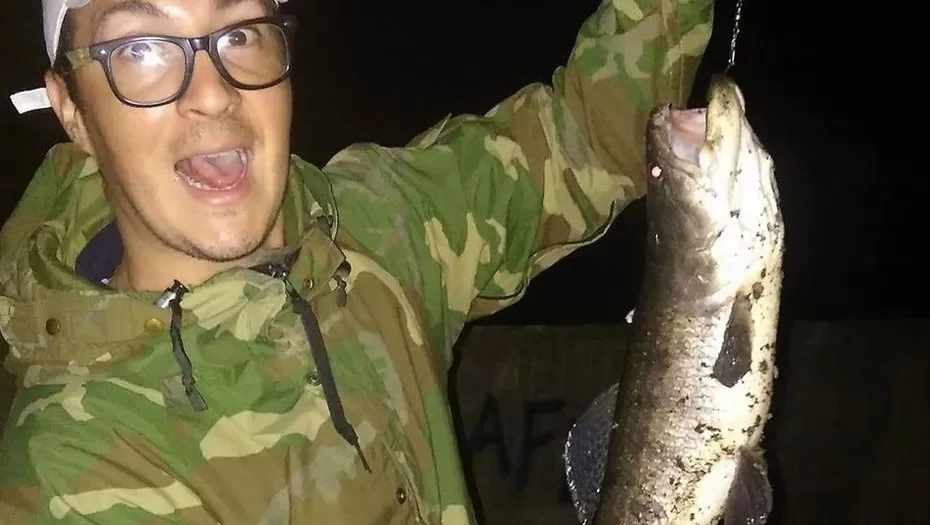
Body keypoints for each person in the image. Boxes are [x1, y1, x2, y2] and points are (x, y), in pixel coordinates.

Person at [0, 0, 713, 523]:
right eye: (143, 49)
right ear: (71, 111)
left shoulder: (375, 222)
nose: (213, 92)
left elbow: (586, 133)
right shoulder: (70, 470)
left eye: (240, 31)